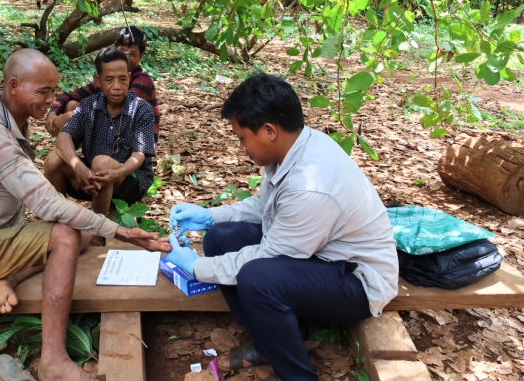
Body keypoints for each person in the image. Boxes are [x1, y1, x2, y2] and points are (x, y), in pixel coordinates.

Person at [0, 49, 170, 381]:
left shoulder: (12, 119)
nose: (50, 101)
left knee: (83, 230)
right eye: (43, 92)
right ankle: (53, 362)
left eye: (53, 92)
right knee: (67, 232)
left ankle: (7, 276)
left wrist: (107, 206)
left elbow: (139, 155)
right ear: (14, 85)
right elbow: (46, 202)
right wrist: (123, 232)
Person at [162, 73, 399, 380]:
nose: (241, 146)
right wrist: (211, 217)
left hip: (357, 281)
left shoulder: (311, 186)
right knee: (220, 238)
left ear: (269, 130)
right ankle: (270, 342)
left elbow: (267, 256)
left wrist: (196, 267)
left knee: (258, 278)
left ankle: (296, 375)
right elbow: (266, 206)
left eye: (242, 137)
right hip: (316, 254)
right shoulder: (293, 147)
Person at [44, 47, 155, 228]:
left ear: (129, 77)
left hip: (129, 180)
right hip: (92, 178)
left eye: (122, 79)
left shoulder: (140, 108)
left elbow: (139, 154)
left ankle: (98, 230)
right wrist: (79, 168)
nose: (117, 86)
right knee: (53, 160)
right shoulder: (89, 105)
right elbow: (64, 137)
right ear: (98, 80)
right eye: (109, 80)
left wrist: (117, 173)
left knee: (101, 163)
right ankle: (56, 223)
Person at [45, 26, 161, 146]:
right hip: (113, 131)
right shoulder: (108, 77)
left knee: (76, 113)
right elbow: (69, 96)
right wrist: (52, 113)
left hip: (136, 142)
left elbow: (121, 112)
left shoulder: (142, 81)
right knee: (72, 104)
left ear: (141, 56)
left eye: (132, 54)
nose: (126, 58)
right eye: (122, 52)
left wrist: (71, 116)